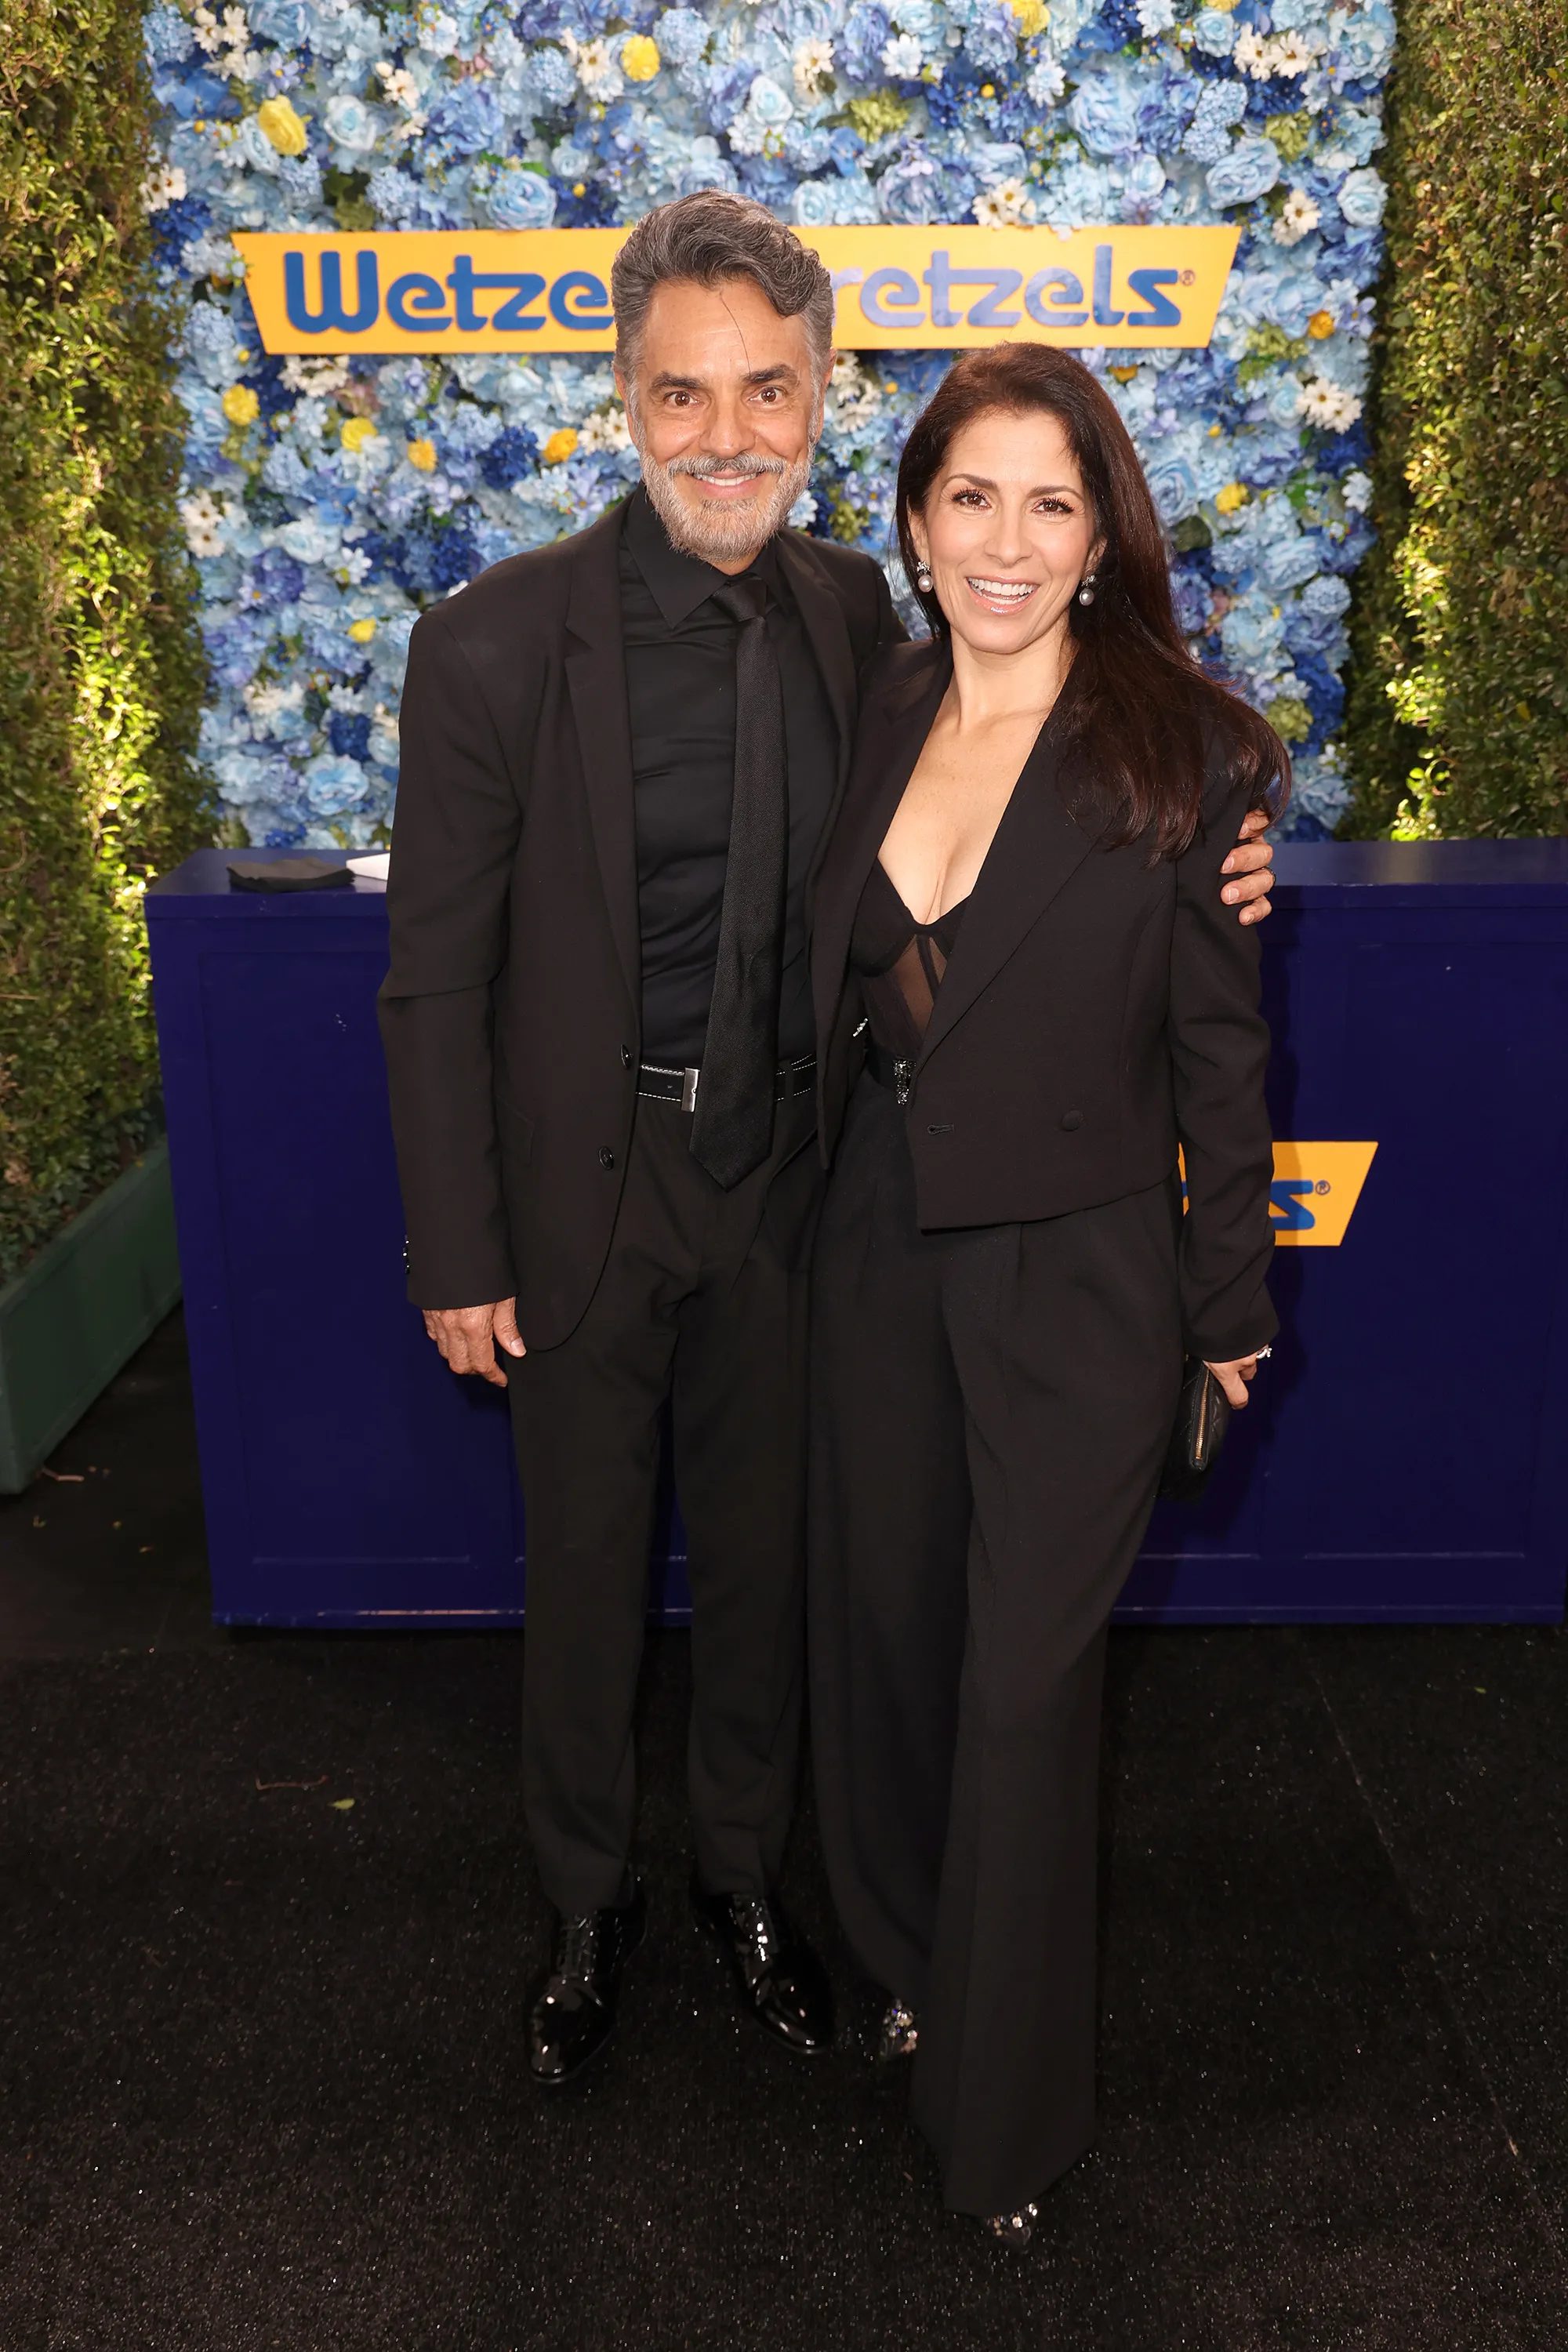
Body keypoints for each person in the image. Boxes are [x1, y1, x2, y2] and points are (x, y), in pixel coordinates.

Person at [377, 194, 1279, 2093]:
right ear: (624, 401)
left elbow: (1038, 808)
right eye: (684, 394)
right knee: (586, 1571)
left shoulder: (859, 618)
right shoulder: (486, 648)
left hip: (801, 1199)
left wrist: (1218, 855)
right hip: (578, 1210)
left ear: (816, 402)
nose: (726, 435)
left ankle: (744, 1878)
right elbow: (431, 986)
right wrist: (458, 1249)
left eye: (767, 391)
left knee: (789, 1580)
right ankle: (584, 1898)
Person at [807, 343, 1283, 2242]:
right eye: (969, 498)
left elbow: (1223, 1061)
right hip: (867, 1262)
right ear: (917, 522)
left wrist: (1229, 1310)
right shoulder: (868, 701)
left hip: (1080, 1285)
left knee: (1023, 1694)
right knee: (897, 1654)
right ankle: (913, 1954)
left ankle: (1003, 2130)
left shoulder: (1189, 748)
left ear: (1100, 535)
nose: (1005, 541)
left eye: (1050, 502)